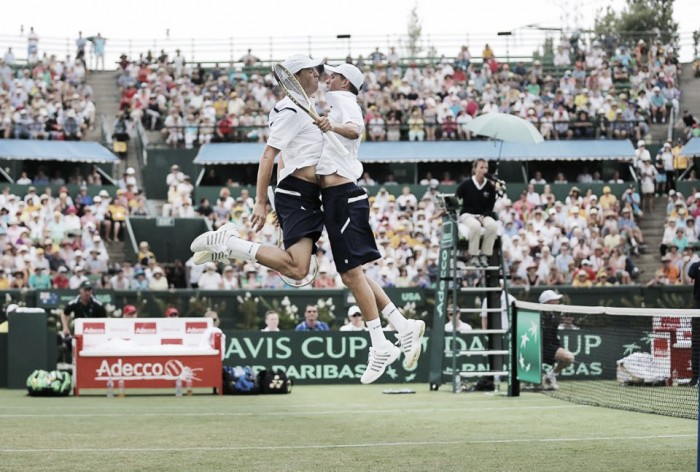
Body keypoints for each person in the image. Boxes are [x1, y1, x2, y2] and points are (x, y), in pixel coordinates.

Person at [191, 55, 423, 384]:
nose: (320, 74)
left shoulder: (320, 107)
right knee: (310, 269)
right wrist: (263, 199)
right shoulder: (293, 109)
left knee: (350, 271)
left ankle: (397, 328)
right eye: (313, 70)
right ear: (298, 76)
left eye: (323, 71)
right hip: (301, 194)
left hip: (312, 196)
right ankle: (229, 243)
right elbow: (271, 154)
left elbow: (299, 150)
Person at [456, 159, 499, 267]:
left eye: (486, 168)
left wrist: (484, 215)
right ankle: (474, 255)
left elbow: (490, 206)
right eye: (481, 167)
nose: (484, 170)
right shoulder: (466, 184)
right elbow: (456, 199)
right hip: (467, 215)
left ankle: (485, 255)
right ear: (475, 169)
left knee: (493, 226)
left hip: (483, 215)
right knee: (475, 226)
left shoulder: (490, 186)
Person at [538, 290, 575, 390]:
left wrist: (558, 347)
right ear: (548, 302)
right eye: (556, 300)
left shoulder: (553, 316)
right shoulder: (537, 315)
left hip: (549, 347)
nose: (558, 302)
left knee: (569, 358)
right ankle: (536, 380)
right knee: (538, 385)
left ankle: (551, 375)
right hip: (535, 348)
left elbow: (553, 335)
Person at [687, 259, 700, 386]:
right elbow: (685, 280)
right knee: (696, 344)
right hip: (698, 308)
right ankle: (695, 377)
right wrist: (685, 264)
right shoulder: (696, 266)